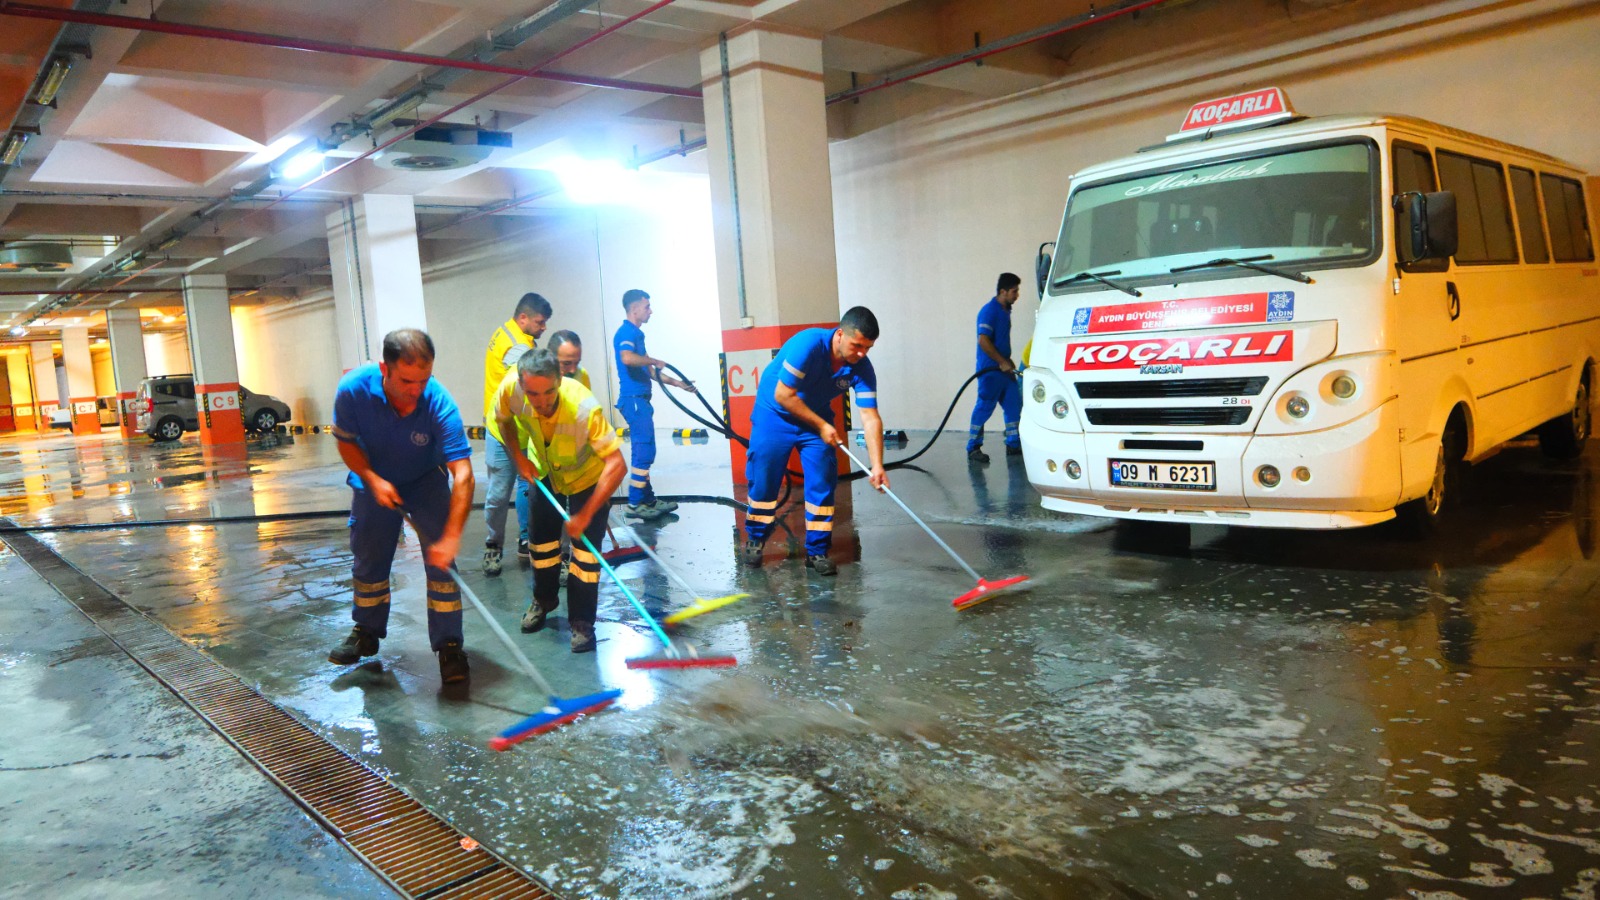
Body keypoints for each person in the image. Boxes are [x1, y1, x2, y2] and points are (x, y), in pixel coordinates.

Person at [327, 329, 475, 684]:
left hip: (425, 480)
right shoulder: (353, 391)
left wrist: (452, 536)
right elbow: (345, 442)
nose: (416, 390)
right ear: (384, 368)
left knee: (442, 566)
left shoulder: (438, 401)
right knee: (369, 553)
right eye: (407, 380)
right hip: (373, 477)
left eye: (423, 379)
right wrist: (370, 477)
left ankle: (449, 644)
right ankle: (366, 631)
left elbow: (465, 475)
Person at [494, 349, 627, 653]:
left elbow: (617, 465)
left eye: (548, 392)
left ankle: (581, 622)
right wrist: (518, 458)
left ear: (559, 380)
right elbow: (504, 422)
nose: (540, 401)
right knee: (541, 547)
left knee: (585, 558)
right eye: (533, 394)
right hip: (544, 471)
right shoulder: (510, 390)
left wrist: (586, 514)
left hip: (586, 477)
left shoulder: (583, 407)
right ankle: (544, 600)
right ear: (521, 384)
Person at [740, 307, 888, 576]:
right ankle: (756, 538)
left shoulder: (861, 366)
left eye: (868, 348)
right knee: (765, 478)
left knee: (822, 480)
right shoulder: (807, 344)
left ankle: (817, 550)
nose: (861, 354)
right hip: (775, 413)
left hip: (815, 416)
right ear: (840, 334)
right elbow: (784, 395)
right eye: (857, 345)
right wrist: (822, 425)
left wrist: (877, 465)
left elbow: (870, 417)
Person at [481, 293, 550, 576]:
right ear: (523, 317)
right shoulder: (518, 349)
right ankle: (493, 546)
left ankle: (526, 539)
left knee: (528, 485)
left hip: (525, 428)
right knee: (499, 493)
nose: (543, 327)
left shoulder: (509, 332)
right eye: (539, 322)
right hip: (502, 427)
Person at [612, 289, 690, 520]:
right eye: (647, 307)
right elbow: (627, 358)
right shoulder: (626, 332)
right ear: (634, 308)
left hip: (640, 401)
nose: (650, 311)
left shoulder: (636, 334)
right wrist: (654, 360)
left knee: (645, 449)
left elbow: (649, 371)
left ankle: (648, 499)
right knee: (644, 451)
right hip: (634, 401)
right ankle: (636, 504)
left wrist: (678, 383)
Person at [966, 273, 1023, 464]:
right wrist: (1001, 361)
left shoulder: (1005, 310)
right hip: (990, 371)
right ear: (1003, 291)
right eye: (1014, 291)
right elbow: (983, 340)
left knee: (1014, 403)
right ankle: (973, 447)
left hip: (1004, 371)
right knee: (984, 407)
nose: (1017, 295)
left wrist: (1008, 362)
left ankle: (1014, 443)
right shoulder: (989, 311)